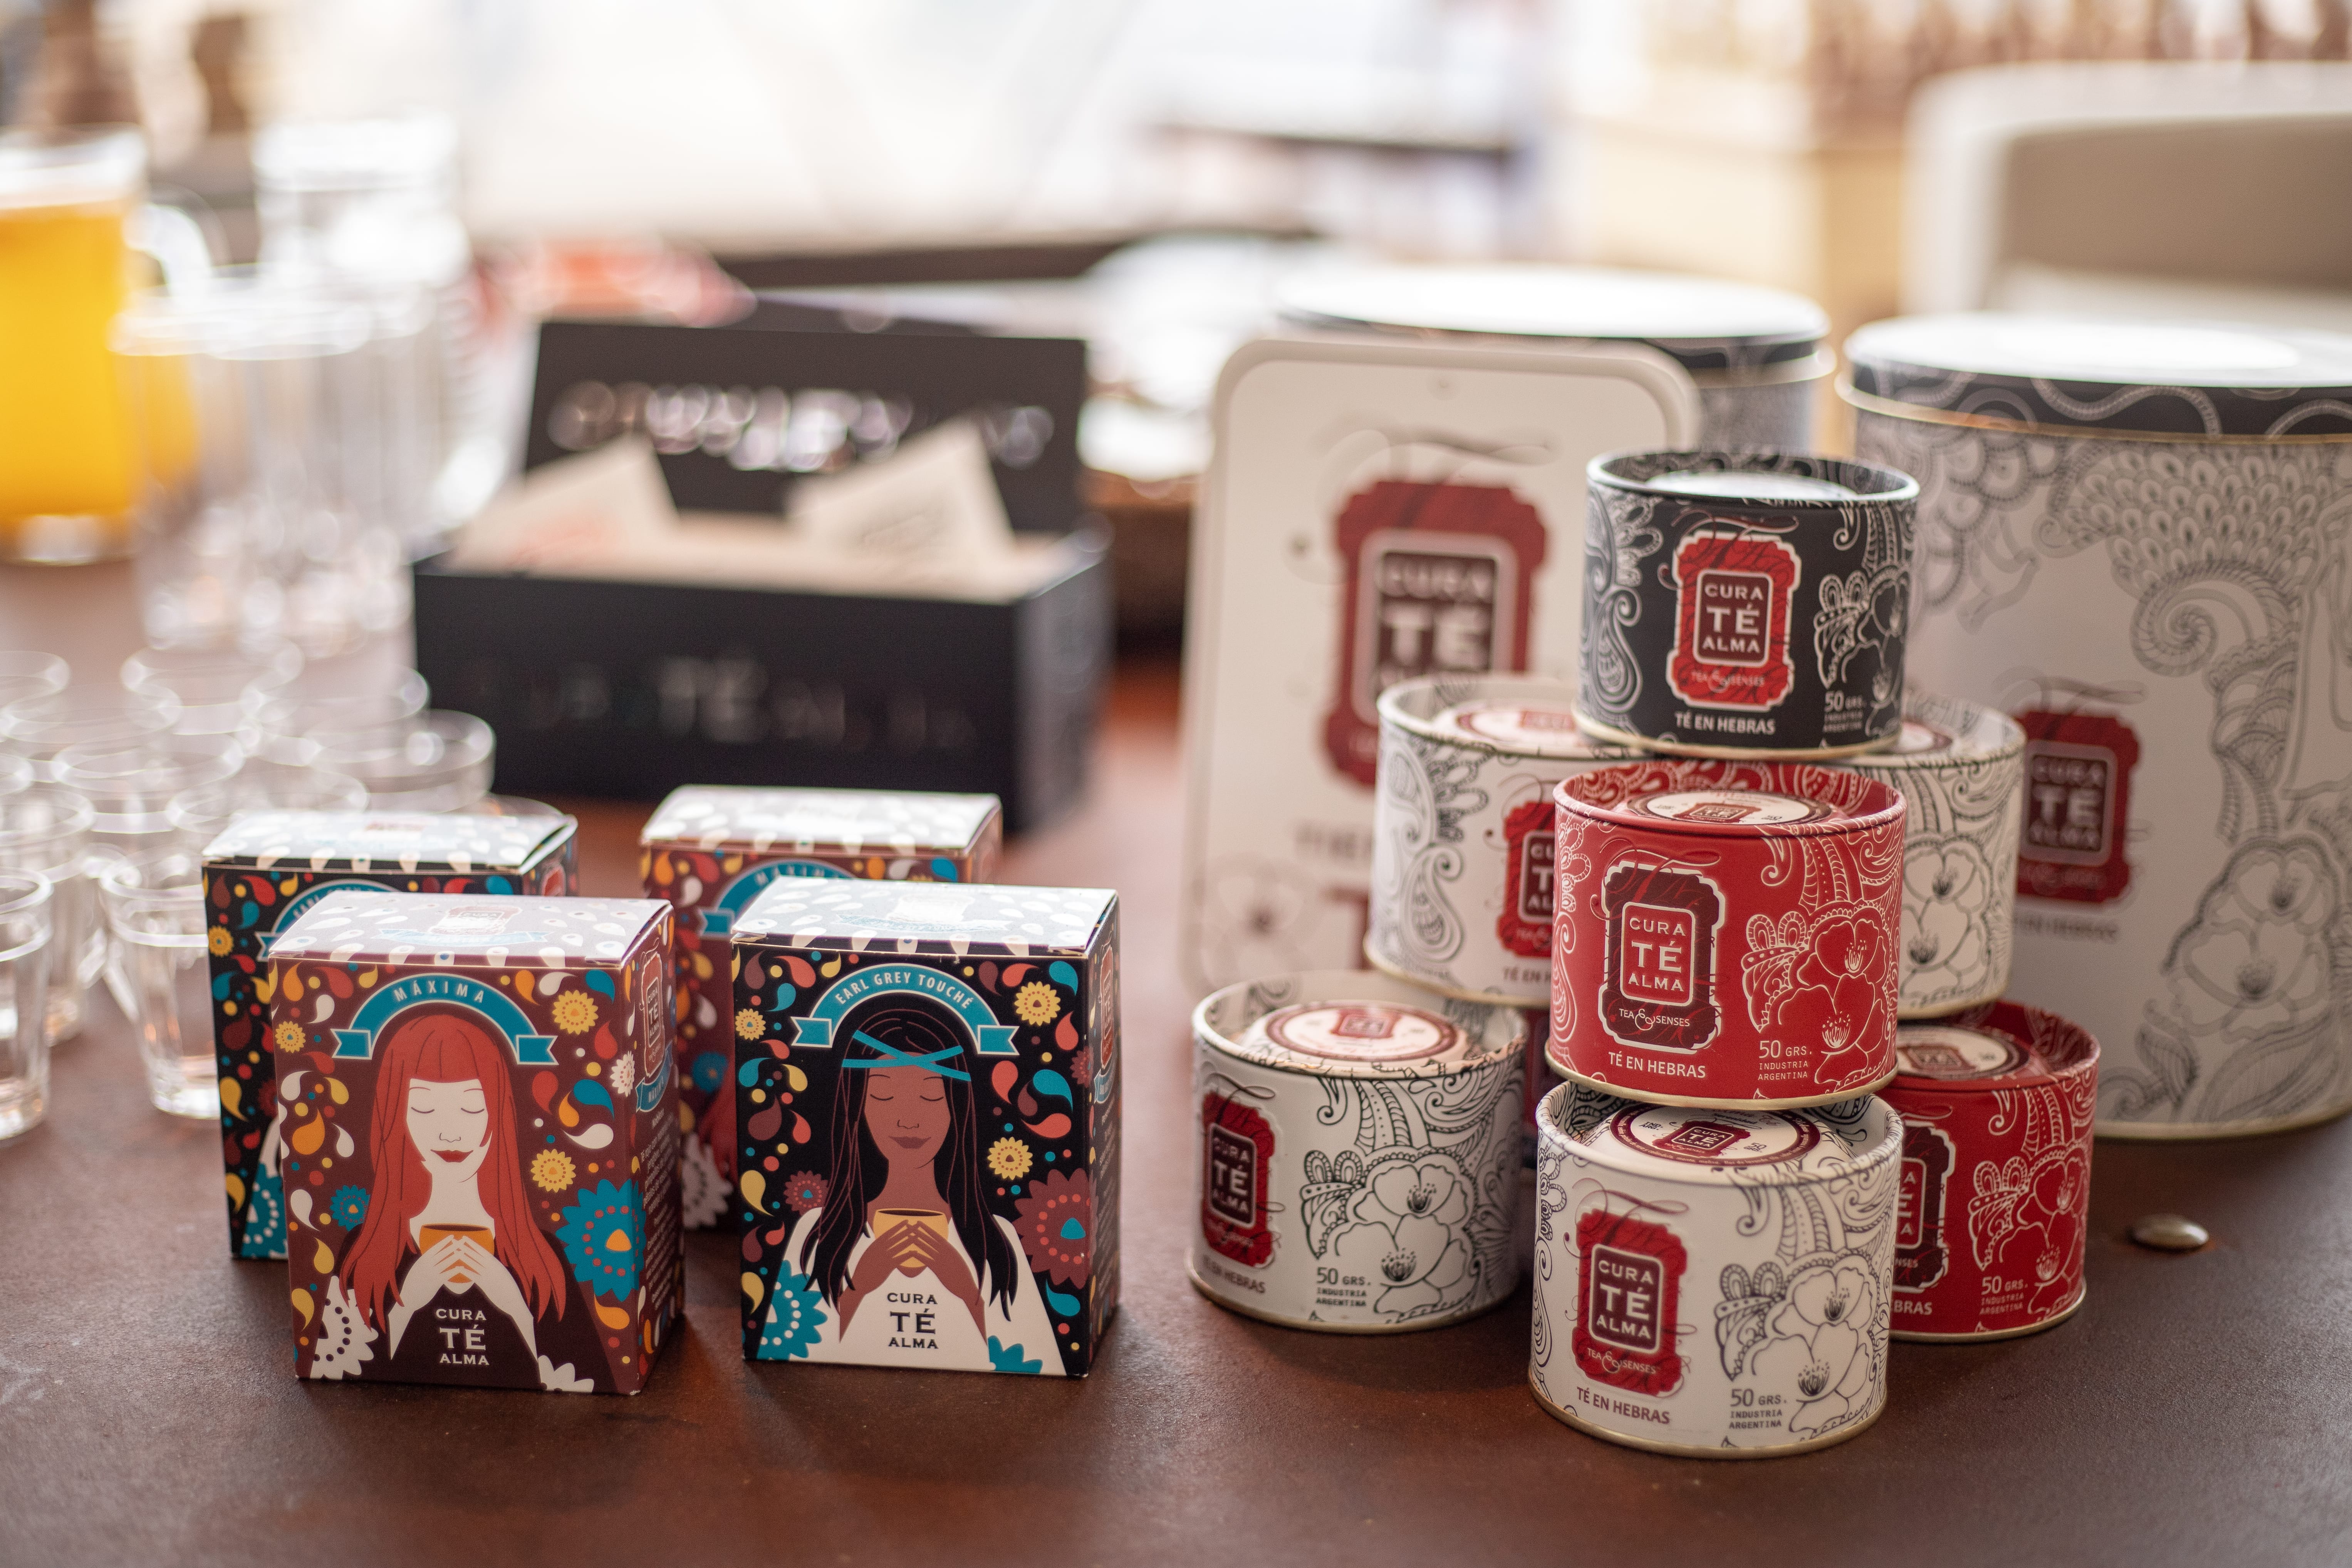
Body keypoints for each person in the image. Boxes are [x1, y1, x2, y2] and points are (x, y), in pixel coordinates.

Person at [310, 1009, 599, 1391]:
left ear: (498, 1113)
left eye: (472, 1107)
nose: (449, 1133)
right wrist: (407, 1304)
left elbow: (587, 1379)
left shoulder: (542, 1255)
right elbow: (336, 1372)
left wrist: (514, 1307)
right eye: (423, 1108)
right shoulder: (363, 1250)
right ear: (395, 1118)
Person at [766, 1001, 1060, 1374]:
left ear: (956, 1106)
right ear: (858, 1106)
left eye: (931, 1095)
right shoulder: (819, 1233)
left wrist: (966, 1291)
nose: (908, 1119)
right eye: (883, 1094)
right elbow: (786, 1352)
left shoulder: (996, 1240)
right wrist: (860, 1287)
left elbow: (1034, 1360)